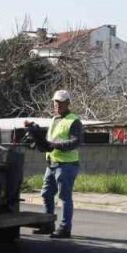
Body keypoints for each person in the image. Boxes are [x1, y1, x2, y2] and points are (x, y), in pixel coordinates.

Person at [28, 90, 82, 239]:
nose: (57, 105)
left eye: (61, 102)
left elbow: (75, 141)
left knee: (64, 196)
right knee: (46, 194)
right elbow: (49, 139)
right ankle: (48, 223)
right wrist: (39, 143)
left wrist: (55, 145)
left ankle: (65, 228)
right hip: (52, 163)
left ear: (68, 103)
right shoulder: (54, 119)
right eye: (55, 102)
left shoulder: (74, 120)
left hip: (66, 164)